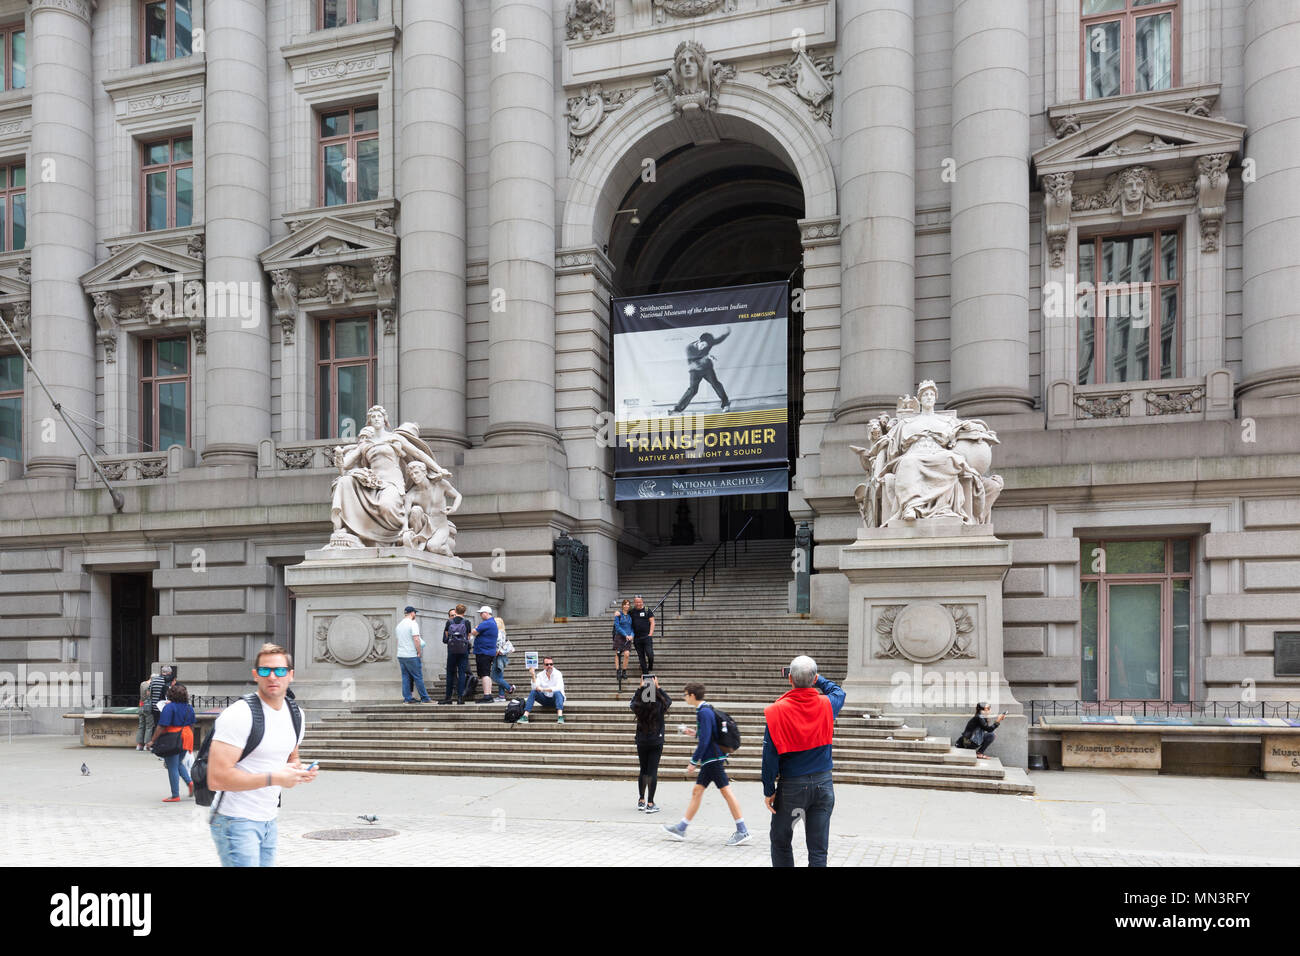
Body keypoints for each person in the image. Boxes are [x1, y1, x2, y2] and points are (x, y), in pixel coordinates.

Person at [206, 644, 317, 867]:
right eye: (265, 671)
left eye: (280, 670)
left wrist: (298, 771)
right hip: (234, 819)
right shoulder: (239, 715)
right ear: (256, 675)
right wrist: (275, 778)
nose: (273, 676)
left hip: (268, 819)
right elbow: (216, 778)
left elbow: (291, 756)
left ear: (291, 675)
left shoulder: (296, 714)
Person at [761, 655, 846, 867]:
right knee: (818, 849)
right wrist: (817, 679)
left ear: (790, 679)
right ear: (814, 678)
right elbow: (839, 691)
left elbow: (769, 756)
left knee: (780, 841)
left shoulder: (776, 711)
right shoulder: (827, 704)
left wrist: (768, 788)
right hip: (823, 783)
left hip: (791, 785)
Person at [662, 682, 750, 846]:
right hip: (713, 758)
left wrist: (693, 761)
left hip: (712, 759)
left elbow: (706, 739)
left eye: (685, 695)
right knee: (698, 791)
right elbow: (708, 734)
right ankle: (681, 828)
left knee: (726, 792)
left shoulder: (703, 712)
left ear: (692, 695)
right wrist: (692, 732)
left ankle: (742, 830)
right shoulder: (706, 709)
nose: (684, 698)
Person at [629, 674, 671, 813]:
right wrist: (658, 688)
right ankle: (651, 803)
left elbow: (631, 703)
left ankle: (641, 800)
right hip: (656, 740)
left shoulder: (639, 705)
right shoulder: (660, 704)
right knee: (652, 771)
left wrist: (640, 689)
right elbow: (669, 701)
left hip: (642, 740)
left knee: (643, 770)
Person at [150, 682, 196, 802]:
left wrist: (152, 740)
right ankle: (190, 783)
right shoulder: (189, 707)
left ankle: (175, 795)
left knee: (172, 767)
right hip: (187, 736)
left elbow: (161, 725)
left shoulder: (169, 707)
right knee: (178, 762)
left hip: (173, 737)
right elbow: (192, 724)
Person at [669, 327, 732, 414]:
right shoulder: (690, 348)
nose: (703, 348)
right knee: (692, 390)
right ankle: (677, 409)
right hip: (695, 371)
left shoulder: (708, 343)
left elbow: (718, 340)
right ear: (699, 341)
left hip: (707, 369)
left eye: (706, 346)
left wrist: (727, 334)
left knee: (716, 384)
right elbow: (693, 364)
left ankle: (725, 404)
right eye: (702, 345)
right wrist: (707, 357)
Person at [395, 606, 431, 704]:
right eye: (415, 613)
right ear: (412, 613)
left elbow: (398, 641)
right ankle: (425, 698)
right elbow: (416, 639)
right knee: (418, 677)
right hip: (411, 654)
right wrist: (419, 651)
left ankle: (408, 698)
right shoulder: (413, 624)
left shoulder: (399, 625)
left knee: (405, 677)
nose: (415, 615)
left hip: (401, 655)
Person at [518, 657, 565, 724]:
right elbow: (534, 687)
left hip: (556, 699)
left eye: (551, 664)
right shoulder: (540, 675)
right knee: (533, 692)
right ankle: (525, 716)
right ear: (543, 666)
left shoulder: (558, 674)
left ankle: (560, 717)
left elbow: (558, 687)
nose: (549, 666)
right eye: (547, 664)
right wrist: (533, 675)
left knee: (557, 692)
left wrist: (543, 689)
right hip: (545, 700)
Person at [440, 604, 471, 704]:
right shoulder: (467, 622)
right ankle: (460, 698)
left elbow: (446, 637)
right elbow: (468, 637)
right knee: (462, 673)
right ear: (464, 612)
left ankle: (448, 698)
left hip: (452, 650)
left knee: (450, 673)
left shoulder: (449, 622)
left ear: (455, 611)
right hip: (463, 650)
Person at [470, 605, 499, 703]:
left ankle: (487, 696)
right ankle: (489, 694)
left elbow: (473, 632)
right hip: (488, 651)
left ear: (486, 613)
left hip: (483, 651)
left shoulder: (486, 623)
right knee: (486, 673)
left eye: (481, 613)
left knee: (484, 674)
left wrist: (476, 627)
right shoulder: (493, 622)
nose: (480, 615)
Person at [629, 595, 655, 675]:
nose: (638, 604)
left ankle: (650, 665)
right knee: (641, 656)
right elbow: (624, 614)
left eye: (639, 602)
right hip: (637, 638)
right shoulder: (632, 611)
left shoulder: (647, 610)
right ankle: (645, 672)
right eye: (636, 602)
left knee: (650, 654)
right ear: (634, 602)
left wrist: (650, 634)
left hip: (647, 637)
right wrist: (618, 613)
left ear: (642, 602)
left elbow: (652, 622)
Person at [491, 616, 516, 701]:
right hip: (501, 656)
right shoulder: (502, 632)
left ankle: (509, 688)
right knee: (499, 676)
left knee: (494, 676)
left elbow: (498, 644)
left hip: (498, 656)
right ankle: (501, 696)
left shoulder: (498, 632)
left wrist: (495, 653)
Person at [612, 599, 634, 681]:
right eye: (625, 604)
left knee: (627, 654)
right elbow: (617, 627)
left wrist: (632, 635)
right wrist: (625, 635)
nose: (626, 606)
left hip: (628, 638)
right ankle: (618, 671)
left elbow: (632, 628)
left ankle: (624, 671)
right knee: (617, 654)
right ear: (622, 605)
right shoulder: (618, 615)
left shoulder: (630, 616)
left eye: (628, 604)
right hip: (619, 637)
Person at [136, 671, 157, 751]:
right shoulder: (151, 685)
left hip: (141, 706)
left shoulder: (143, 683)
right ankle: (146, 745)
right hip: (148, 707)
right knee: (149, 726)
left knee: (141, 725)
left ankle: (139, 745)